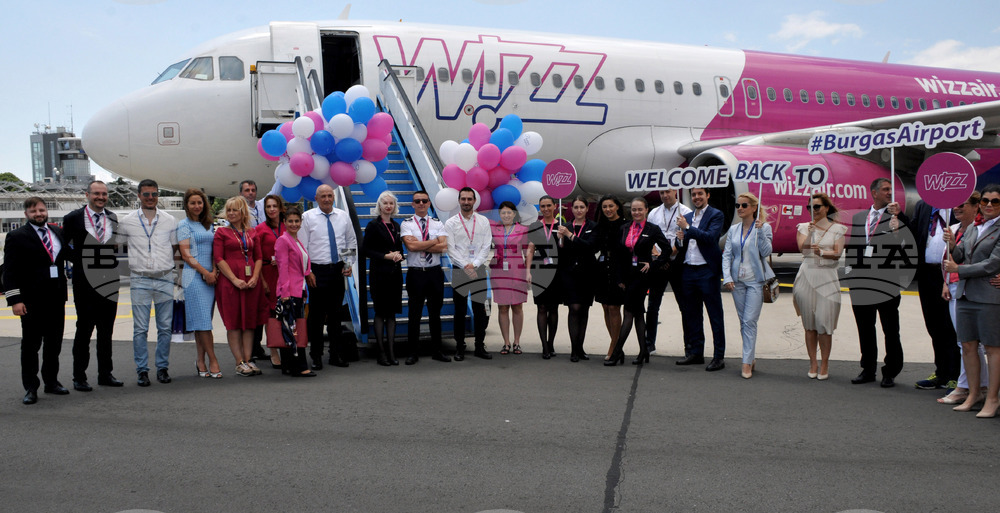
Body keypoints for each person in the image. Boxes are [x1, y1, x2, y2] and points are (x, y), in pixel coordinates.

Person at [846, 177, 912, 388]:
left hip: (886, 282)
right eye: (885, 189)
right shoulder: (859, 217)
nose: (889, 193)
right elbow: (853, 247)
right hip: (861, 283)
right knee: (865, 328)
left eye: (890, 189)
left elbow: (908, 242)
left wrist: (900, 222)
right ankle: (868, 369)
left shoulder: (896, 217)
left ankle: (890, 371)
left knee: (890, 330)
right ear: (874, 193)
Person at [4, 197, 69, 404]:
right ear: (26, 214)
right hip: (31, 301)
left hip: (56, 299)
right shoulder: (16, 236)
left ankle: (51, 382)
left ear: (46, 211)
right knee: (31, 347)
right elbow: (9, 271)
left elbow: (69, 255)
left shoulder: (57, 232)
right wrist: (15, 300)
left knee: (54, 345)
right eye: (33, 211)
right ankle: (31, 387)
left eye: (41, 210)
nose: (38, 214)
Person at [944, 184, 1000, 417]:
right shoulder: (973, 228)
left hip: (988, 296)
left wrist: (959, 270)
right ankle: (973, 394)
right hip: (965, 294)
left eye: (995, 201)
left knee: (992, 348)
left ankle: (993, 399)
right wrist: (951, 244)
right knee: (967, 346)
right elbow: (961, 256)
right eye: (985, 201)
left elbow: (992, 264)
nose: (989, 205)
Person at [62, 180, 123, 390]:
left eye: (104, 194)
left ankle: (105, 374)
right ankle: (79, 377)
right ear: (87, 195)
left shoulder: (112, 217)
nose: (101, 197)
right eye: (96, 193)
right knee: (84, 330)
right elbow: (62, 246)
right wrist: (81, 260)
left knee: (106, 331)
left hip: (109, 281)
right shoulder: (73, 218)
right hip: (84, 283)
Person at [118, 179, 177, 387]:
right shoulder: (127, 221)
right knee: (140, 328)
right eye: (146, 194)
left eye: (154, 194)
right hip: (140, 278)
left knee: (165, 327)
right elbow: (119, 245)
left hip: (164, 278)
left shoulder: (169, 220)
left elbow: (174, 248)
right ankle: (142, 370)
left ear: (158, 195)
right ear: (139, 196)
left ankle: (162, 368)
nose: (150, 198)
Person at [605, 197, 670, 366]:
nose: (637, 212)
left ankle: (617, 352)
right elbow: (619, 254)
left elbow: (667, 249)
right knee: (638, 314)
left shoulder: (652, 229)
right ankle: (643, 351)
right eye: (634, 210)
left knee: (628, 312)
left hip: (642, 276)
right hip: (628, 275)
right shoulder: (625, 228)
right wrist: (619, 278)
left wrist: (653, 264)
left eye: (640, 209)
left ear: (646, 210)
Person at [301, 184, 357, 369]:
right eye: (323, 196)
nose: (326, 199)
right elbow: (302, 246)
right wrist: (308, 271)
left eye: (329, 195)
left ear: (333, 197)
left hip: (337, 270)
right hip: (316, 271)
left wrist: (348, 264)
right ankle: (316, 355)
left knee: (335, 315)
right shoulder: (307, 217)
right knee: (316, 316)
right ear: (316, 198)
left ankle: (336, 354)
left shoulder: (343, 216)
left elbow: (350, 240)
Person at [793, 193, 847, 381]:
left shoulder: (838, 229)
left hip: (827, 276)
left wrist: (822, 252)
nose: (813, 210)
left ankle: (824, 362)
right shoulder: (803, 227)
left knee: (824, 323)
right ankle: (813, 363)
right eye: (809, 207)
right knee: (809, 324)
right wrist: (810, 234)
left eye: (816, 207)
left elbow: (837, 253)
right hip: (807, 276)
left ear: (826, 208)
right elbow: (802, 249)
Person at [939, 192, 987, 404]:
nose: (956, 208)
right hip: (954, 286)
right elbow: (948, 259)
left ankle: (965, 387)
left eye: (962, 205)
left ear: (976, 207)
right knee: (966, 342)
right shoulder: (954, 229)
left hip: (973, 287)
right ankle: (980, 386)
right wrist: (946, 281)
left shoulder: (981, 229)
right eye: (955, 205)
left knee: (969, 342)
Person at [722, 193, 774, 379]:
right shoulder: (734, 229)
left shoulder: (764, 227)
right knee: (743, 321)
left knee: (749, 321)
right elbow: (727, 254)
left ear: (754, 208)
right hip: (737, 282)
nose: (740, 208)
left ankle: (745, 362)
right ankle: (750, 357)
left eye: (744, 205)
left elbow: (767, 251)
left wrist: (760, 234)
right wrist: (727, 276)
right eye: (737, 205)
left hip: (755, 282)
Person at [214, 196, 268, 377]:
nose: (231, 213)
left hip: (251, 282)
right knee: (234, 322)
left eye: (234, 210)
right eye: (228, 210)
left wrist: (255, 276)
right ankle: (239, 362)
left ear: (242, 212)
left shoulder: (252, 232)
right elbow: (219, 258)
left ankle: (248, 359)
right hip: (230, 283)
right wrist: (234, 279)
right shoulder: (222, 232)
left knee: (249, 322)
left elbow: (258, 257)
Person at [674, 187, 726, 371]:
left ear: (708, 195)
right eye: (694, 194)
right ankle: (696, 353)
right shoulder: (686, 217)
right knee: (692, 314)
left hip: (707, 271)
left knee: (715, 315)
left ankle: (719, 357)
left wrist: (687, 228)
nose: (696, 197)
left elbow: (710, 238)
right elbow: (682, 244)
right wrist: (680, 239)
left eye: (700, 194)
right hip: (688, 270)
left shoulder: (716, 215)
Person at [911, 198, 960, 390]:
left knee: (951, 326)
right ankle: (941, 372)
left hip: (950, 273)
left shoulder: (958, 201)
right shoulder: (924, 205)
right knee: (933, 324)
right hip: (927, 273)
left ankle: (956, 375)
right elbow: (915, 232)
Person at [400, 190, 451, 364]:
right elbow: (411, 247)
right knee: (414, 314)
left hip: (434, 272)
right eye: (417, 201)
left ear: (429, 203)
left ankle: (437, 350)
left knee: (435, 314)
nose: (421, 203)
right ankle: (412, 352)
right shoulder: (406, 224)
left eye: (424, 200)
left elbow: (444, 247)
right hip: (416, 273)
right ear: (412, 204)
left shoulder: (437, 223)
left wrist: (420, 244)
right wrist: (434, 241)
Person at [177, 188, 222, 379]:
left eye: (200, 202)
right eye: (193, 203)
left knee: (201, 321)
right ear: (187, 205)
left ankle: (200, 360)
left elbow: (214, 250)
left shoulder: (208, 225)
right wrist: (205, 272)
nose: (197, 206)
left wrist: (213, 271)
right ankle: (213, 360)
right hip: (194, 277)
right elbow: (186, 254)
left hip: (210, 277)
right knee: (203, 322)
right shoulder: (183, 225)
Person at [445, 187, 493, 360]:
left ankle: (480, 346)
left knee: (480, 310)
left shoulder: (483, 221)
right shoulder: (450, 223)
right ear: (459, 201)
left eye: (469, 199)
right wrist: (466, 266)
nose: (466, 202)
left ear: (474, 201)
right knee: (459, 310)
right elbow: (450, 249)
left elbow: (486, 246)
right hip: (460, 270)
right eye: (463, 199)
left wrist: (475, 264)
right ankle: (460, 347)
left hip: (478, 269)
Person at [645, 189, 691, 354]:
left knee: (684, 306)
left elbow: (686, 237)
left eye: (668, 192)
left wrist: (668, 254)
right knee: (653, 306)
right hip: (658, 263)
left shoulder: (685, 212)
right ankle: (649, 343)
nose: (665, 195)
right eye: (662, 192)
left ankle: (689, 346)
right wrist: (658, 255)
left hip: (677, 262)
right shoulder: (654, 213)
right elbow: (648, 236)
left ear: (675, 192)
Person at [274, 205, 316, 377]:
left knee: (292, 329)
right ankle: (299, 367)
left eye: (296, 221)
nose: (294, 224)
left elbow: (301, 266)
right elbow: (283, 268)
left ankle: (289, 366)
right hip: (289, 292)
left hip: (298, 290)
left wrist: (307, 275)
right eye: (290, 221)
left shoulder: (297, 241)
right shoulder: (283, 241)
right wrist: (284, 293)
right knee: (294, 329)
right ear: (284, 222)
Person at [363, 191, 404, 366]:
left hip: (395, 275)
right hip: (379, 275)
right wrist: (386, 256)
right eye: (385, 203)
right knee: (381, 313)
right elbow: (366, 250)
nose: (388, 206)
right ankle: (381, 353)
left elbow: (400, 248)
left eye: (391, 203)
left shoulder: (396, 225)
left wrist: (399, 255)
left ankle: (392, 352)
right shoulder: (373, 225)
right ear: (379, 205)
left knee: (392, 314)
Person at [557, 196, 597, 362]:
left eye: (582, 207)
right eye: (576, 207)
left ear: (587, 209)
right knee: (574, 308)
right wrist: (560, 240)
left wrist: (571, 236)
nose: (579, 210)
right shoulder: (565, 226)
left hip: (587, 272)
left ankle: (580, 348)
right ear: (571, 209)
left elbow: (590, 247)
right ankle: (574, 349)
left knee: (584, 310)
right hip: (569, 273)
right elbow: (561, 251)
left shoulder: (593, 226)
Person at [490, 201, 530, 355]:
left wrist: (528, 271)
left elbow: (527, 252)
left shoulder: (523, 229)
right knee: (503, 306)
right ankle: (506, 342)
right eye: (503, 213)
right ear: (499, 215)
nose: (506, 215)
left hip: (517, 270)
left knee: (517, 306)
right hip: (499, 270)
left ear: (514, 214)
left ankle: (517, 342)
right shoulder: (494, 228)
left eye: (509, 212)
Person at [526, 195, 562, 359]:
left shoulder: (561, 226)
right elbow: (530, 249)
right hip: (539, 270)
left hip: (557, 271)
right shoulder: (535, 226)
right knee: (541, 307)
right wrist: (527, 271)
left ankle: (551, 342)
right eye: (542, 206)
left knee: (553, 308)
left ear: (555, 206)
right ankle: (544, 346)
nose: (546, 209)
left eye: (548, 205)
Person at [253, 194, 285, 368]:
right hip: (268, 274)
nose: (272, 209)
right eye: (268, 207)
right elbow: (256, 256)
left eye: (274, 206)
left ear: (280, 208)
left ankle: (287, 347)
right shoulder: (260, 229)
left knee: (285, 313)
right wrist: (262, 281)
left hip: (286, 274)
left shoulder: (287, 225)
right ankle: (273, 351)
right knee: (270, 315)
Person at [594, 195, 628, 360]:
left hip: (619, 269)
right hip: (602, 268)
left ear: (617, 207)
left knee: (614, 307)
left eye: (611, 206)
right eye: (604, 207)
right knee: (606, 307)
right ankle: (616, 345)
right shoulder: (600, 226)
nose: (608, 209)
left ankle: (614, 347)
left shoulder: (625, 225)